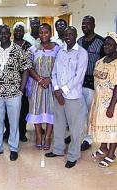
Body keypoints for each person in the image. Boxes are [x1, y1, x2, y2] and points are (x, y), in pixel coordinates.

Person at [0, 25, 32, 161]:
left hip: (14, 93)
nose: (3, 35)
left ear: (10, 34)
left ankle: (13, 148)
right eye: (1, 33)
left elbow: (26, 69)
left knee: (13, 122)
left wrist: (22, 89)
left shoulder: (18, 50)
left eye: (6, 33)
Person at [45, 26, 88, 168]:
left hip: (73, 97)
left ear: (76, 35)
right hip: (58, 96)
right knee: (59, 124)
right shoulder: (61, 52)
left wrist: (62, 91)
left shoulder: (82, 53)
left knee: (75, 129)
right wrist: (56, 89)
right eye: (66, 34)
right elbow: (54, 72)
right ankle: (58, 150)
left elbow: (78, 77)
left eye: (71, 34)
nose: (68, 36)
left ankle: (73, 155)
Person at [26, 23, 60, 150]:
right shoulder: (33, 49)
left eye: (46, 32)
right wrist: (40, 79)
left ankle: (48, 137)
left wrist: (49, 79)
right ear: (38, 34)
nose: (43, 35)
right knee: (36, 110)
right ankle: (39, 135)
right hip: (37, 84)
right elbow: (29, 67)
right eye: (41, 32)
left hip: (52, 85)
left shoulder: (57, 48)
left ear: (50, 33)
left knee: (51, 111)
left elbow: (60, 67)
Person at [74, 15, 104, 151]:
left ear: (94, 25)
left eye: (87, 23)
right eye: (83, 23)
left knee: (90, 113)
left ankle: (88, 138)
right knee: (78, 113)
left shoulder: (101, 42)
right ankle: (76, 134)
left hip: (92, 84)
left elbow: (104, 63)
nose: (84, 25)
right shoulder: (78, 41)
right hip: (78, 84)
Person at [89, 32, 117, 168]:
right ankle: (103, 148)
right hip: (99, 100)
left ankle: (111, 153)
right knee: (103, 127)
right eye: (105, 44)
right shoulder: (100, 61)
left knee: (112, 128)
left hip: (112, 102)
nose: (106, 46)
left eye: (110, 44)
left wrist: (112, 106)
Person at [3, 22, 32, 142]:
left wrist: (23, 85)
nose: (18, 32)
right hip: (9, 83)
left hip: (24, 82)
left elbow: (29, 64)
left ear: (23, 32)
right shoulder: (7, 44)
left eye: (20, 30)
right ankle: (8, 131)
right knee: (7, 110)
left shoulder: (28, 45)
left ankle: (22, 132)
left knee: (23, 109)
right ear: (13, 32)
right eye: (16, 30)